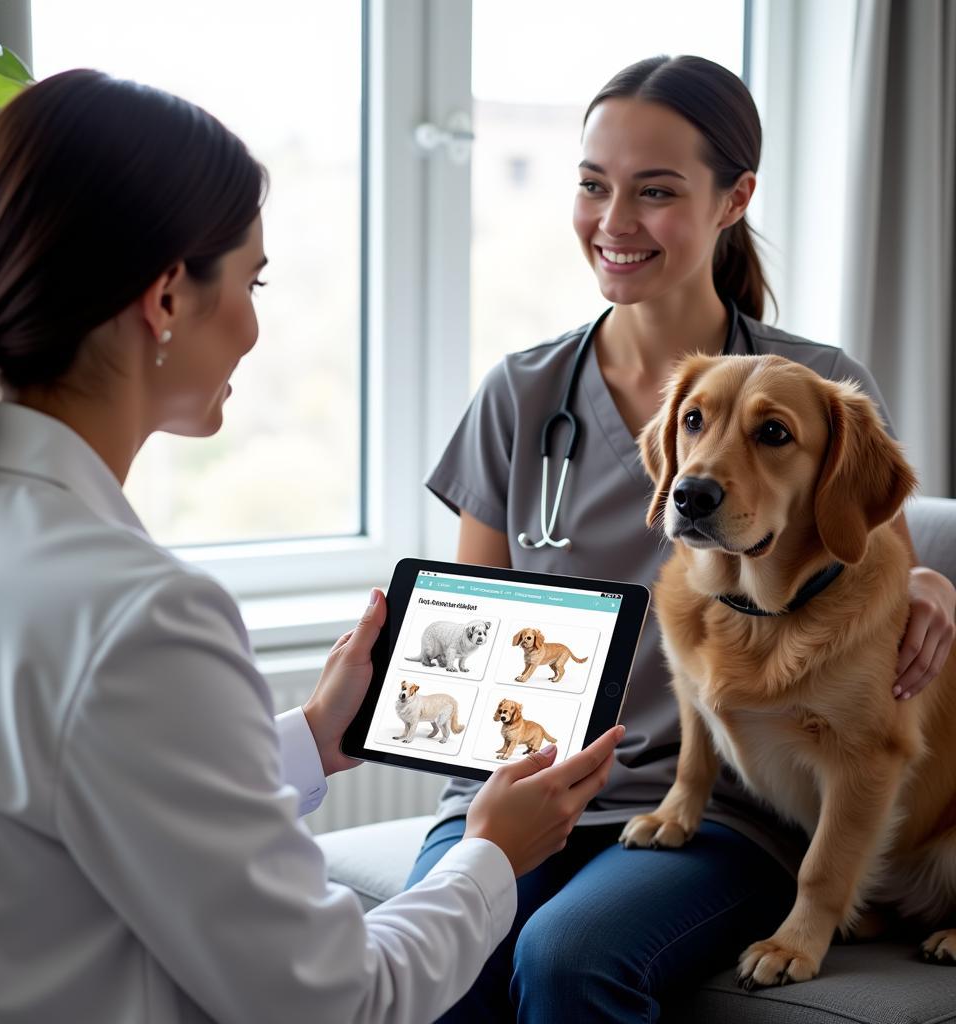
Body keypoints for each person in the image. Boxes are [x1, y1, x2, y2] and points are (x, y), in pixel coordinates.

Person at [0, 69, 626, 1024]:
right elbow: (340, 1000)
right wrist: (490, 854)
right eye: (252, 281)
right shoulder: (140, 612)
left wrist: (307, 740)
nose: (257, 326)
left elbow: (75, 787)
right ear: (168, 297)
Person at [407, 54, 956, 1022]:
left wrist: (936, 586)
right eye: (591, 185)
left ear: (732, 198)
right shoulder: (521, 395)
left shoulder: (819, 384)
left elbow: (882, 569)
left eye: (654, 192)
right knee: (438, 954)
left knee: (569, 958)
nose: (613, 222)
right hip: (531, 785)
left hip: (726, 811)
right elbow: (473, 648)